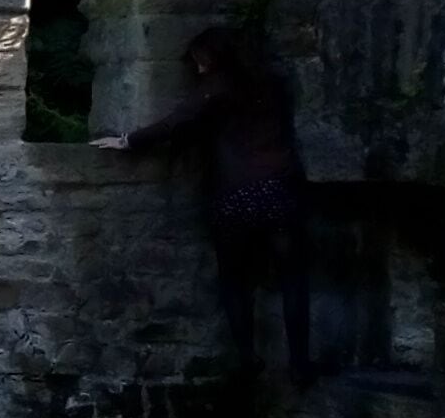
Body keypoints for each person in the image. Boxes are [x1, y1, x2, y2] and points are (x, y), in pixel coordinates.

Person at [98, 26, 315, 382]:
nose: (198, 70)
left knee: (234, 280)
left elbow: (177, 122)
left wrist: (127, 141)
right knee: (293, 279)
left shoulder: (218, 87)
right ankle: (300, 364)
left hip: (235, 194)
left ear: (216, 57)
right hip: (280, 190)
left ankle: (247, 357)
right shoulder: (274, 83)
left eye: (201, 62)